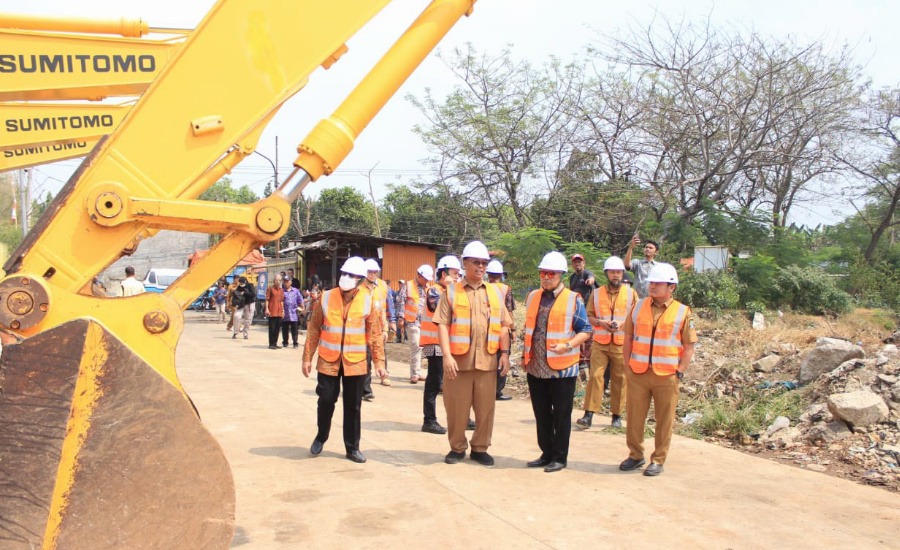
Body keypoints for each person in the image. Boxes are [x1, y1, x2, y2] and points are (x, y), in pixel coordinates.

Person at [434, 241, 512, 467]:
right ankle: (457, 447)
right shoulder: (451, 291)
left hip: (487, 361)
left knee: (486, 408)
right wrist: (446, 356)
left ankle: (480, 448)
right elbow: (441, 324)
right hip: (459, 362)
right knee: (457, 408)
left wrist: (504, 354)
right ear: (464, 263)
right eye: (476, 262)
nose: (480, 267)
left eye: (484, 263)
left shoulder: (495, 293)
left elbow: (505, 325)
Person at [302, 257, 387, 464]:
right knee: (326, 400)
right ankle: (321, 437)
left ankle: (352, 448)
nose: (346, 278)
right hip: (328, 360)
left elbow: (375, 334)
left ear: (360, 280)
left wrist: (379, 363)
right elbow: (314, 328)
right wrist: (307, 357)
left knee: (353, 406)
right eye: (345, 273)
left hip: (355, 362)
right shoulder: (326, 297)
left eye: (352, 275)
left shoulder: (368, 301)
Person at [620, 263, 697, 477]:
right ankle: (635, 455)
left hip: (667, 376)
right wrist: (627, 365)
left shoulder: (683, 312)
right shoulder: (638, 306)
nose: (652, 287)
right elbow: (627, 338)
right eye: (651, 283)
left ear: (671, 287)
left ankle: (658, 460)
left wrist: (680, 371)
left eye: (658, 283)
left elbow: (689, 346)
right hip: (638, 373)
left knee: (665, 420)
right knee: (635, 417)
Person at [521, 252, 592, 473]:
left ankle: (560, 457)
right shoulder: (533, 296)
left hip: (562, 369)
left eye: (550, 273)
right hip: (536, 366)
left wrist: (568, 346)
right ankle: (546, 453)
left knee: (561, 415)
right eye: (543, 273)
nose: (546, 277)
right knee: (541, 414)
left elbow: (586, 330)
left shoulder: (573, 299)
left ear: (561, 275)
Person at [577, 256, 638, 429]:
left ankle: (616, 417)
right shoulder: (596, 294)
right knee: (596, 376)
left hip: (621, 344)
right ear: (607, 274)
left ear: (622, 273)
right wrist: (601, 323)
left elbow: (637, 317)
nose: (616, 275)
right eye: (612, 272)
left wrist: (622, 324)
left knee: (620, 379)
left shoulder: (631, 294)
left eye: (618, 272)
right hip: (601, 343)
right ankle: (588, 414)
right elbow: (588, 316)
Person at [419, 255, 460, 435]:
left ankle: (461, 418)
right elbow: (444, 309)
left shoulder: (453, 290)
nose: (457, 277)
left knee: (455, 383)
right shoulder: (434, 291)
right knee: (434, 382)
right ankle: (429, 420)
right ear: (443, 274)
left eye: (459, 274)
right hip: (435, 344)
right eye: (454, 273)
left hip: (450, 345)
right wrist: (452, 287)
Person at [362, 259, 393, 401]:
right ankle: (363, 389)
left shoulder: (379, 288)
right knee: (364, 359)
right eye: (370, 272)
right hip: (359, 330)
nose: (373, 274)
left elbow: (382, 309)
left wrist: (385, 328)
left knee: (375, 355)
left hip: (375, 329)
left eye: (375, 272)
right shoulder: (358, 288)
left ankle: (371, 385)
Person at [486, 259, 515, 401]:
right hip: (502, 329)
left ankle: (486, 389)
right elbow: (509, 311)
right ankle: (497, 391)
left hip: (487, 329)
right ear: (501, 274)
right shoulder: (505, 288)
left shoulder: (483, 287)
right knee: (503, 358)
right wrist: (513, 329)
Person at [399, 265, 434, 383]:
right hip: (411, 321)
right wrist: (400, 317)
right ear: (419, 275)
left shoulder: (428, 288)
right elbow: (401, 301)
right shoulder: (408, 285)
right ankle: (414, 374)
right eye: (425, 278)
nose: (427, 281)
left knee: (422, 347)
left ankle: (418, 372)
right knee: (416, 346)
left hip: (424, 322)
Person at [568, 254, 596, 372]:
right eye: (575, 262)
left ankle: (586, 359)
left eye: (580, 262)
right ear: (572, 264)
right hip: (576, 309)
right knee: (577, 333)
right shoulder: (573, 277)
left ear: (584, 263)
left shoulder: (586, 274)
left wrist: (590, 280)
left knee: (588, 334)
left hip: (587, 308)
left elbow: (591, 278)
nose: (577, 264)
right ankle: (579, 358)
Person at [281, 276, 304, 348]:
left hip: (294, 313)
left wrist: (302, 308)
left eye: (287, 281)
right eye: (284, 281)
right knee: (285, 329)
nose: (286, 283)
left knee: (295, 330)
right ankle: (285, 342)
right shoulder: (282, 291)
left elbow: (300, 300)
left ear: (290, 282)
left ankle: (295, 342)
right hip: (285, 313)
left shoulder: (296, 291)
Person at [231, 276, 255, 340]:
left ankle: (245, 334)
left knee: (248, 319)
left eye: (242, 283)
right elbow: (236, 296)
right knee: (236, 316)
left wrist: (245, 293)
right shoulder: (239, 287)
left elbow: (253, 294)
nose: (241, 284)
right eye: (240, 283)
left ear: (245, 281)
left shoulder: (250, 286)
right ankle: (235, 332)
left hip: (249, 304)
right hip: (241, 304)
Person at [265, 275, 285, 349]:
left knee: (277, 328)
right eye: (277, 280)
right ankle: (271, 344)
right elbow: (267, 299)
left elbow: (282, 301)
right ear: (274, 281)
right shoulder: (270, 289)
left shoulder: (281, 290)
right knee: (272, 328)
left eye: (279, 280)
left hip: (279, 311)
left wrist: (283, 310)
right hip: (272, 311)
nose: (278, 281)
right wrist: (267, 309)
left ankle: (275, 343)